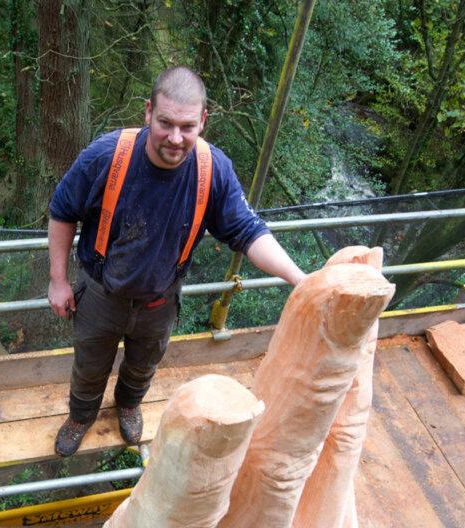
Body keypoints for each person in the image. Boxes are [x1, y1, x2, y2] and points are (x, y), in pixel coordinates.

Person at [47, 66, 306, 456]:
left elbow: (248, 232)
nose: (175, 137)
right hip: (101, 295)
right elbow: (62, 210)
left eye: (187, 126)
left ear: (203, 120)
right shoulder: (106, 157)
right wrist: (58, 280)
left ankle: (130, 406)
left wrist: (300, 279)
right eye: (165, 123)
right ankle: (81, 415)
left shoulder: (213, 169)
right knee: (88, 365)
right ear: (148, 111)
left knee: (142, 366)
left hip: (160, 301)